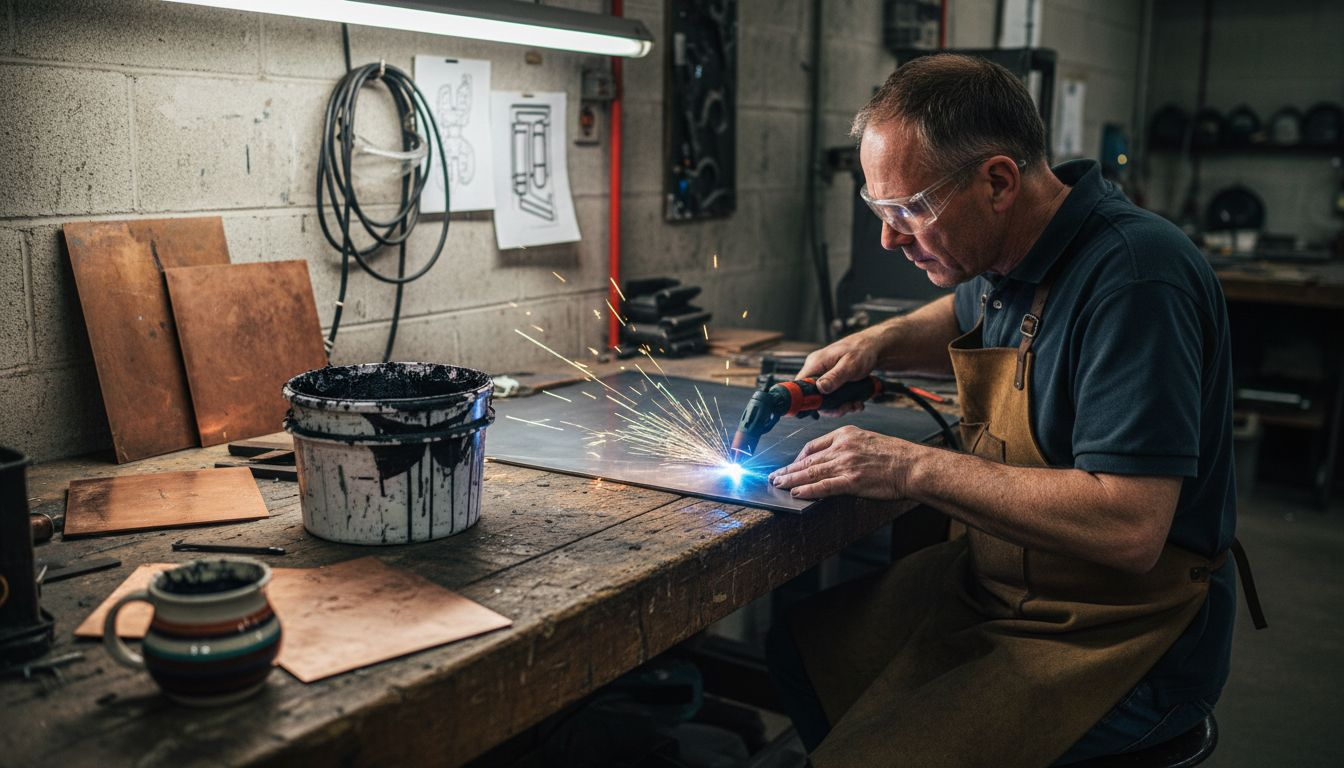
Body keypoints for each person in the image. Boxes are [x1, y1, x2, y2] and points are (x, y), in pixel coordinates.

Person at [765, 53, 1257, 767]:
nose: (889, 238)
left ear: (997, 180)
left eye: (910, 210)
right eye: (880, 210)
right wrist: (878, 342)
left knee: (866, 755)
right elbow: (963, 309)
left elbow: (1129, 526)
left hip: (1123, 632)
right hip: (1005, 588)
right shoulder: (1014, 254)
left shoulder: (1136, 279)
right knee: (801, 651)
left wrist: (908, 468)